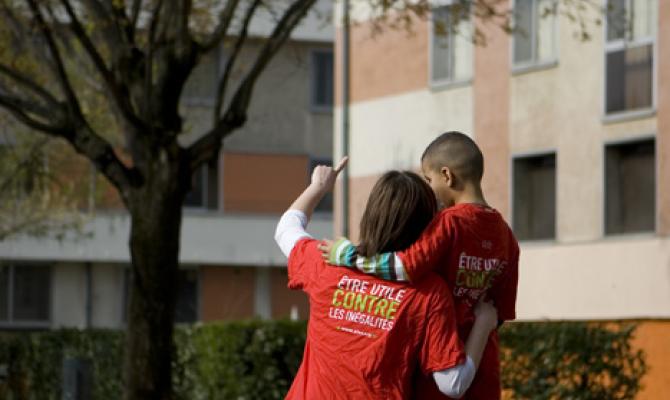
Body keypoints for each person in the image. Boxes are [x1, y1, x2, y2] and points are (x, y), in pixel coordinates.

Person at [274, 157, 499, 399]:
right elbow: (452, 383)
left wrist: (318, 186)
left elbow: (286, 229)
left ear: (371, 213)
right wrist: (484, 323)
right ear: (427, 227)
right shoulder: (428, 291)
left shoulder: (327, 261)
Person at [323, 132, 520, 399]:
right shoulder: (506, 235)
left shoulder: (449, 223)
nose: (429, 189)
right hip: (483, 372)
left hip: (435, 371)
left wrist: (349, 256)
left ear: (447, 176)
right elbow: (499, 314)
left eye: (429, 180)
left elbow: (406, 265)